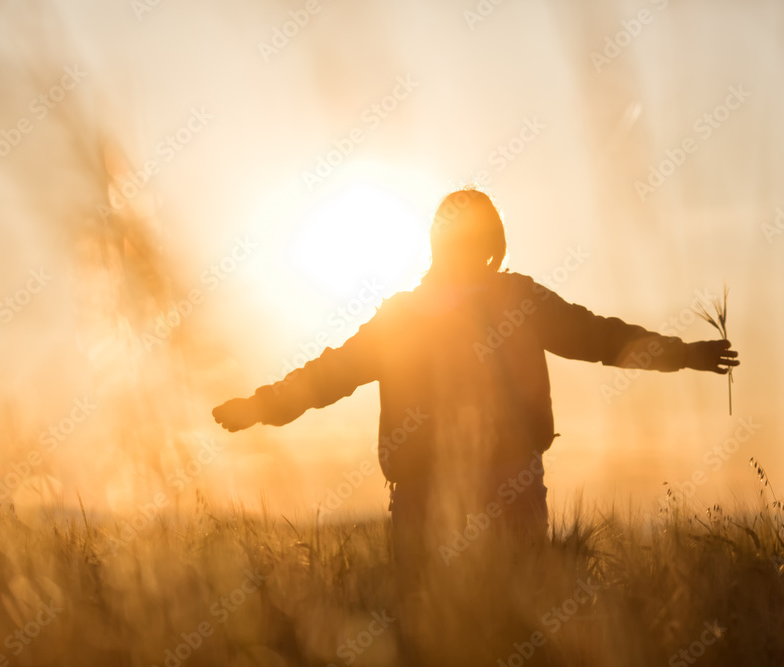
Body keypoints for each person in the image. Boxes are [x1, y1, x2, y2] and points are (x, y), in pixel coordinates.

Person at [212, 188, 739, 585]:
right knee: (517, 626)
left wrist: (258, 407)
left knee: (435, 633)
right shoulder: (510, 302)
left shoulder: (413, 315)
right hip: (495, 492)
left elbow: (328, 375)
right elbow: (601, 338)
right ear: (492, 246)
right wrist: (683, 355)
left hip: (436, 497)